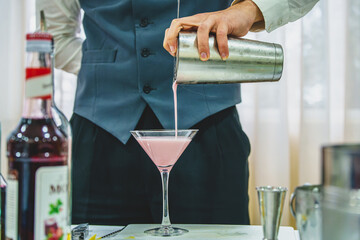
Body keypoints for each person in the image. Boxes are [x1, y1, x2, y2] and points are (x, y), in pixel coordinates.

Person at [37, 0, 319, 225]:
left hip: (208, 129)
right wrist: (105, 68)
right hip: (100, 138)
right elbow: (56, 36)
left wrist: (249, 9)